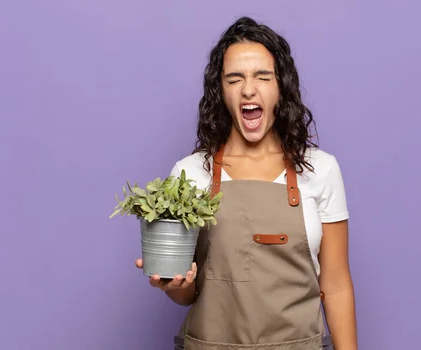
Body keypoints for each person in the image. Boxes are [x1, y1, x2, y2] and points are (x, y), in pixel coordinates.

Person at [135, 16, 358, 349]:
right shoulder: (190, 173)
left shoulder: (320, 170)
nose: (248, 89)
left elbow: (336, 283)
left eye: (262, 77)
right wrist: (173, 283)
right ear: (221, 92)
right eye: (234, 79)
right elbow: (188, 293)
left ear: (281, 87)